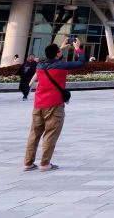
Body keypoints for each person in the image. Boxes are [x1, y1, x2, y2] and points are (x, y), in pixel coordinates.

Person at [23, 39, 86, 172]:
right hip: (54, 104)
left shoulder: (40, 65)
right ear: (58, 54)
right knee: (50, 133)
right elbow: (81, 63)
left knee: (34, 134)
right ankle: (45, 164)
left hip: (38, 104)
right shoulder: (60, 66)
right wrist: (78, 48)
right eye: (59, 51)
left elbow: (50, 58)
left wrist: (60, 48)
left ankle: (28, 163)